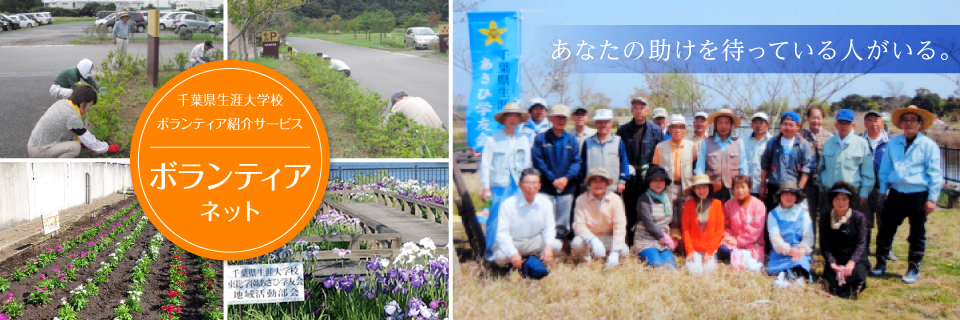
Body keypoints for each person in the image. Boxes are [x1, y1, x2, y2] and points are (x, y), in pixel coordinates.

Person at [872, 105, 943, 284]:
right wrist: (882, 190)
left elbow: (935, 174)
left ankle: (913, 267)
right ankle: (881, 262)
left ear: (920, 124)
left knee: (917, 233)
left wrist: (932, 198)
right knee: (886, 229)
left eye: (913, 120)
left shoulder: (928, 145)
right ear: (901, 123)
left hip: (918, 193)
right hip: (896, 193)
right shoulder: (893, 143)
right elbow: (885, 168)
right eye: (906, 120)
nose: (909, 123)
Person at [480, 103, 532, 262]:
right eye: (510, 115)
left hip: (517, 185)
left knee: (516, 217)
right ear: (504, 118)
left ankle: (513, 249)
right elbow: (486, 164)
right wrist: (485, 188)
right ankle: (491, 251)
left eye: (516, 116)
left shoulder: (523, 139)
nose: (513, 119)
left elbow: (527, 164)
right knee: (494, 217)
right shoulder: (493, 138)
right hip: (498, 185)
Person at [490, 168, 562, 279]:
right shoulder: (508, 204)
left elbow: (549, 228)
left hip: (533, 241)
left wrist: (548, 247)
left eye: (534, 183)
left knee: (556, 245)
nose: (531, 187)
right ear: (520, 185)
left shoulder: (545, 203)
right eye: (527, 183)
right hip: (514, 242)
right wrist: (513, 253)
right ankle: (515, 264)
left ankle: (532, 262)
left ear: (539, 185)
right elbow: (502, 233)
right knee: (500, 257)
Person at [616, 96, 663, 246]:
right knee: (630, 209)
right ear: (631, 111)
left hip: (647, 177)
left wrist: (654, 177)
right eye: (635, 108)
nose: (639, 111)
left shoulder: (655, 131)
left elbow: (659, 156)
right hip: (630, 176)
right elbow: (620, 154)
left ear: (647, 111)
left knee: (647, 210)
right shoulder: (623, 130)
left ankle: (646, 240)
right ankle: (629, 241)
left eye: (642, 108)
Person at [531, 104, 582, 242]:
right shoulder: (541, 139)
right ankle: (544, 245)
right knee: (544, 217)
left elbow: (576, 162)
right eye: (558, 117)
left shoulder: (571, 140)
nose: (561, 120)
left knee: (563, 220)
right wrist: (552, 179)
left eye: (564, 118)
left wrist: (566, 178)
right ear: (551, 118)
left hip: (567, 187)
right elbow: (538, 162)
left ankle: (560, 245)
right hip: (546, 186)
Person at [28, 85, 120, 158]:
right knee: (75, 147)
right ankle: (58, 166)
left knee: (75, 141)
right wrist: (107, 148)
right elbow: (89, 140)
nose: (88, 109)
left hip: (35, 141)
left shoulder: (63, 103)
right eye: (89, 105)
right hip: (38, 150)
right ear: (82, 102)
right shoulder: (73, 116)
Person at [819, 181, 870, 299]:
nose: (840, 202)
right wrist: (832, 263)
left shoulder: (859, 217)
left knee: (855, 277)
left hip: (855, 257)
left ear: (849, 201)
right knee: (832, 282)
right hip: (836, 257)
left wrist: (851, 263)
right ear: (832, 200)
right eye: (837, 199)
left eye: (844, 199)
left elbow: (862, 243)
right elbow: (824, 244)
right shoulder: (825, 218)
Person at [818, 109, 875, 212]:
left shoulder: (862, 143)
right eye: (841, 123)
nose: (843, 126)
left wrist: (864, 193)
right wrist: (821, 189)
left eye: (847, 123)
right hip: (830, 193)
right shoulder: (828, 143)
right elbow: (821, 169)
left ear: (853, 125)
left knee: (852, 226)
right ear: (836, 124)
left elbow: (868, 172)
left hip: (852, 195)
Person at [572, 167, 628, 268]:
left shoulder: (616, 199)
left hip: (608, 237)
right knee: (576, 243)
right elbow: (578, 225)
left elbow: (620, 226)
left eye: (602, 181)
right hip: (590, 239)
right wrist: (593, 240)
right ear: (589, 184)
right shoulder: (581, 200)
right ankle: (587, 262)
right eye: (594, 181)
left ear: (606, 184)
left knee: (624, 251)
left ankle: (610, 258)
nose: (598, 184)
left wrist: (615, 252)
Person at [759, 112, 814, 213]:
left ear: (798, 126)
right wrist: (762, 186)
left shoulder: (803, 144)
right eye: (785, 124)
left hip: (794, 188)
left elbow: (807, 167)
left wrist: (800, 188)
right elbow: (765, 164)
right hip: (775, 187)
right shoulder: (773, 142)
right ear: (780, 125)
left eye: (790, 125)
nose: (787, 128)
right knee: (773, 216)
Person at [860, 110, 896, 262]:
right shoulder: (859, 140)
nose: (873, 123)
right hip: (865, 187)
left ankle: (886, 250)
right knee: (865, 221)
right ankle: (863, 249)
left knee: (885, 221)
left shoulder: (891, 142)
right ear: (865, 123)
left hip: (884, 189)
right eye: (869, 120)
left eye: (876, 120)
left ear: (882, 123)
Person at [766, 180, 814, 287]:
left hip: (798, 251)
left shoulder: (803, 213)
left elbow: (808, 236)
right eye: (786, 194)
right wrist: (788, 250)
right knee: (777, 266)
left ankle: (795, 275)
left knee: (800, 263)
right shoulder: (773, 214)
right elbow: (775, 237)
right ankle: (784, 275)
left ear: (796, 197)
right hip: (781, 251)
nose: (789, 197)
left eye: (792, 195)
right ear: (780, 197)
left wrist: (801, 250)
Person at [651, 114, 698, 221]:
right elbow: (655, 169)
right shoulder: (660, 147)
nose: (678, 130)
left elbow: (695, 166)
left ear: (685, 130)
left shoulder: (692, 146)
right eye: (675, 127)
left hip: (687, 187)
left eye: (681, 127)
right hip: (668, 187)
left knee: (686, 217)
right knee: (667, 217)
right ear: (670, 129)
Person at [695, 108, 747, 203]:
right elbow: (700, 168)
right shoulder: (706, 142)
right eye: (720, 123)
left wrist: (743, 188)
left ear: (731, 125)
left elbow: (743, 168)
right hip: (712, 189)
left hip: (733, 189)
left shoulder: (739, 143)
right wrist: (700, 187)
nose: (723, 126)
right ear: (715, 125)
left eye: (727, 123)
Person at [633, 165, 679, 269]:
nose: (658, 183)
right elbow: (649, 224)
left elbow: (671, 220)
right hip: (646, 240)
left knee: (672, 268)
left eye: (661, 180)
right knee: (658, 266)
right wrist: (665, 239)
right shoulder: (644, 199)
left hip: (663, 242)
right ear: (649, 182)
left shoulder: (668, 198)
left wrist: (674, 237)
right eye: (654, 180)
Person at [719, 175, 766, 272]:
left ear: (749, 188)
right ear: (733, 189)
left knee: (749, 257)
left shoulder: (759, 205)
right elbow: (725, 225)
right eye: (737, 187)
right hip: (732, 243)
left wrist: (738, 241)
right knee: (723, 249)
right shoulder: (728, 204)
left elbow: (755, 230)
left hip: (752, 244)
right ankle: (737, 257)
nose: (740, 190)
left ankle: (742, 259)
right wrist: (727, 237)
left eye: (743, 187)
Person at [681, 174, 724, 275]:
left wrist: (709, 251)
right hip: (694, 248)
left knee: (709, 271)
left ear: (709, 188)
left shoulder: (717, 204)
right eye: (698, 187)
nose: (702, 190)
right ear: (694, 190)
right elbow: (685, 229)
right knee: (694, 272)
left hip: (710, 248)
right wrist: (690, 250)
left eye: (704, 187)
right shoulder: (688, 204)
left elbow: (719, 230)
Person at [580, 109, 629, 194]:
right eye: (599, 122)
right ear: (595, 123)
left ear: (611, 124)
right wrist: (582, 183)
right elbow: (582, 165)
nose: (603, 125)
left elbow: (624, 162)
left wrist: (622, 181)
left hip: (612, 188)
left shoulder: (618, 141)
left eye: (606, 122)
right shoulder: (587, 142)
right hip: (592, 188)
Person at [800, 106, 833, 225]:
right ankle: (810, 243)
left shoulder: (830, 137)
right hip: (806, 182)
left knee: (826, 214)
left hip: (824, 182)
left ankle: (825, 243)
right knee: (809, 216)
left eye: (818, 118)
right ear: (808, 118)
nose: (816, 121)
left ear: (823, 119)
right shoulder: (800, 135)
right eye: (813, 117)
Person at [744, 112, 772, 198]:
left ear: (767, 125)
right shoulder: (744, 141)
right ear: (751, 125)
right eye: (755, 122)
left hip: (766, 187)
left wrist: (764, 186)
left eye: (761, 123)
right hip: (747, 187)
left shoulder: (772, 142)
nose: (758, 125)